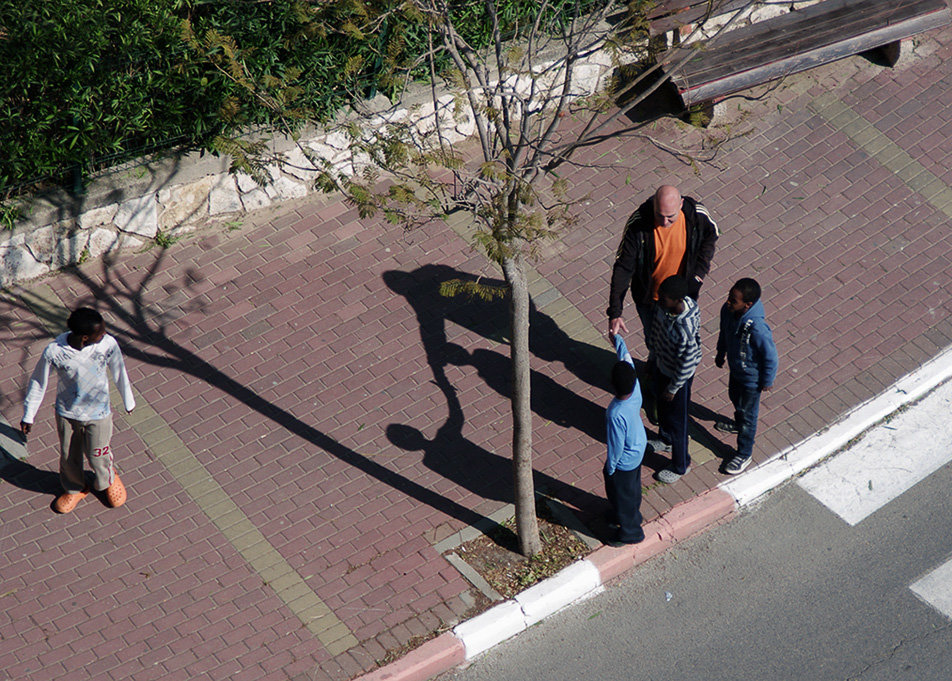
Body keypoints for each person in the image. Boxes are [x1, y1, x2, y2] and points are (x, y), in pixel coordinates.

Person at [20, 307, 136, 514]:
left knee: (98, 453)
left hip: (99, 414)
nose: (104, 335)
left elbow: (119, 370)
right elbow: (39, 382)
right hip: (67, 414)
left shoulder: (107, 344)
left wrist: (128, 400)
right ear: (85, 337)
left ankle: (107, 479)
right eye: (99, 333)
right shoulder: (55, 351)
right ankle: (75, 488)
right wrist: (29, 414)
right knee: (68, 456)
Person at [607, 185, 719, 345]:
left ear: (680, 204)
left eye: (670, 217)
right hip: (650, 300)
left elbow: (711, 235)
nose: (665, 222)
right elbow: (623, 268)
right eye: (659, 216)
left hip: (683, 297)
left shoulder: (696, 215)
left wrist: (699, 274)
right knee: (654, 342)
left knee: (683, 342)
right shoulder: (638, 225)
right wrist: (615, 313)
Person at [714, 278, 778, 475]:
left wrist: (767, 380)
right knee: (734, 397)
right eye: (729, 297)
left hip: (752, 379)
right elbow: (724, 333)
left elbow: (771, 356)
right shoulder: (728, 311)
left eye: (733, 300)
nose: (728, 302)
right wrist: (720, 352)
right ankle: (738, 423)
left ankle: (744, 453)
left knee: (749, 416)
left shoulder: (757, 327)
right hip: (736, 371)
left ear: (747, 305)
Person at [646, 275, 701, 484]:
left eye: (665, 298)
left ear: (678, 300)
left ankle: (681, 464)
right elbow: (656, 334)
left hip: (678, 378)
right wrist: (652, 359)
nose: (660, 301)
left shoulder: (685, 327)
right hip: (662, 366)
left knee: (678, 421)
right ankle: (665, 438)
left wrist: (674, 388)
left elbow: (687, 364)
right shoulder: (664, 310)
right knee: (662, 408)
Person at [604, 332, 647, 546]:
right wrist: (618, 340)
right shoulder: (636, 388)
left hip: (624, 461)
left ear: (612, 384)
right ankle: (630, 515)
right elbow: (626, 358)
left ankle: (630, 531)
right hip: (638, 449)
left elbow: (615, 447)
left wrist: (611, 469)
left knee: (621, 492)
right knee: (632, 489)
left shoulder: (615, 413)